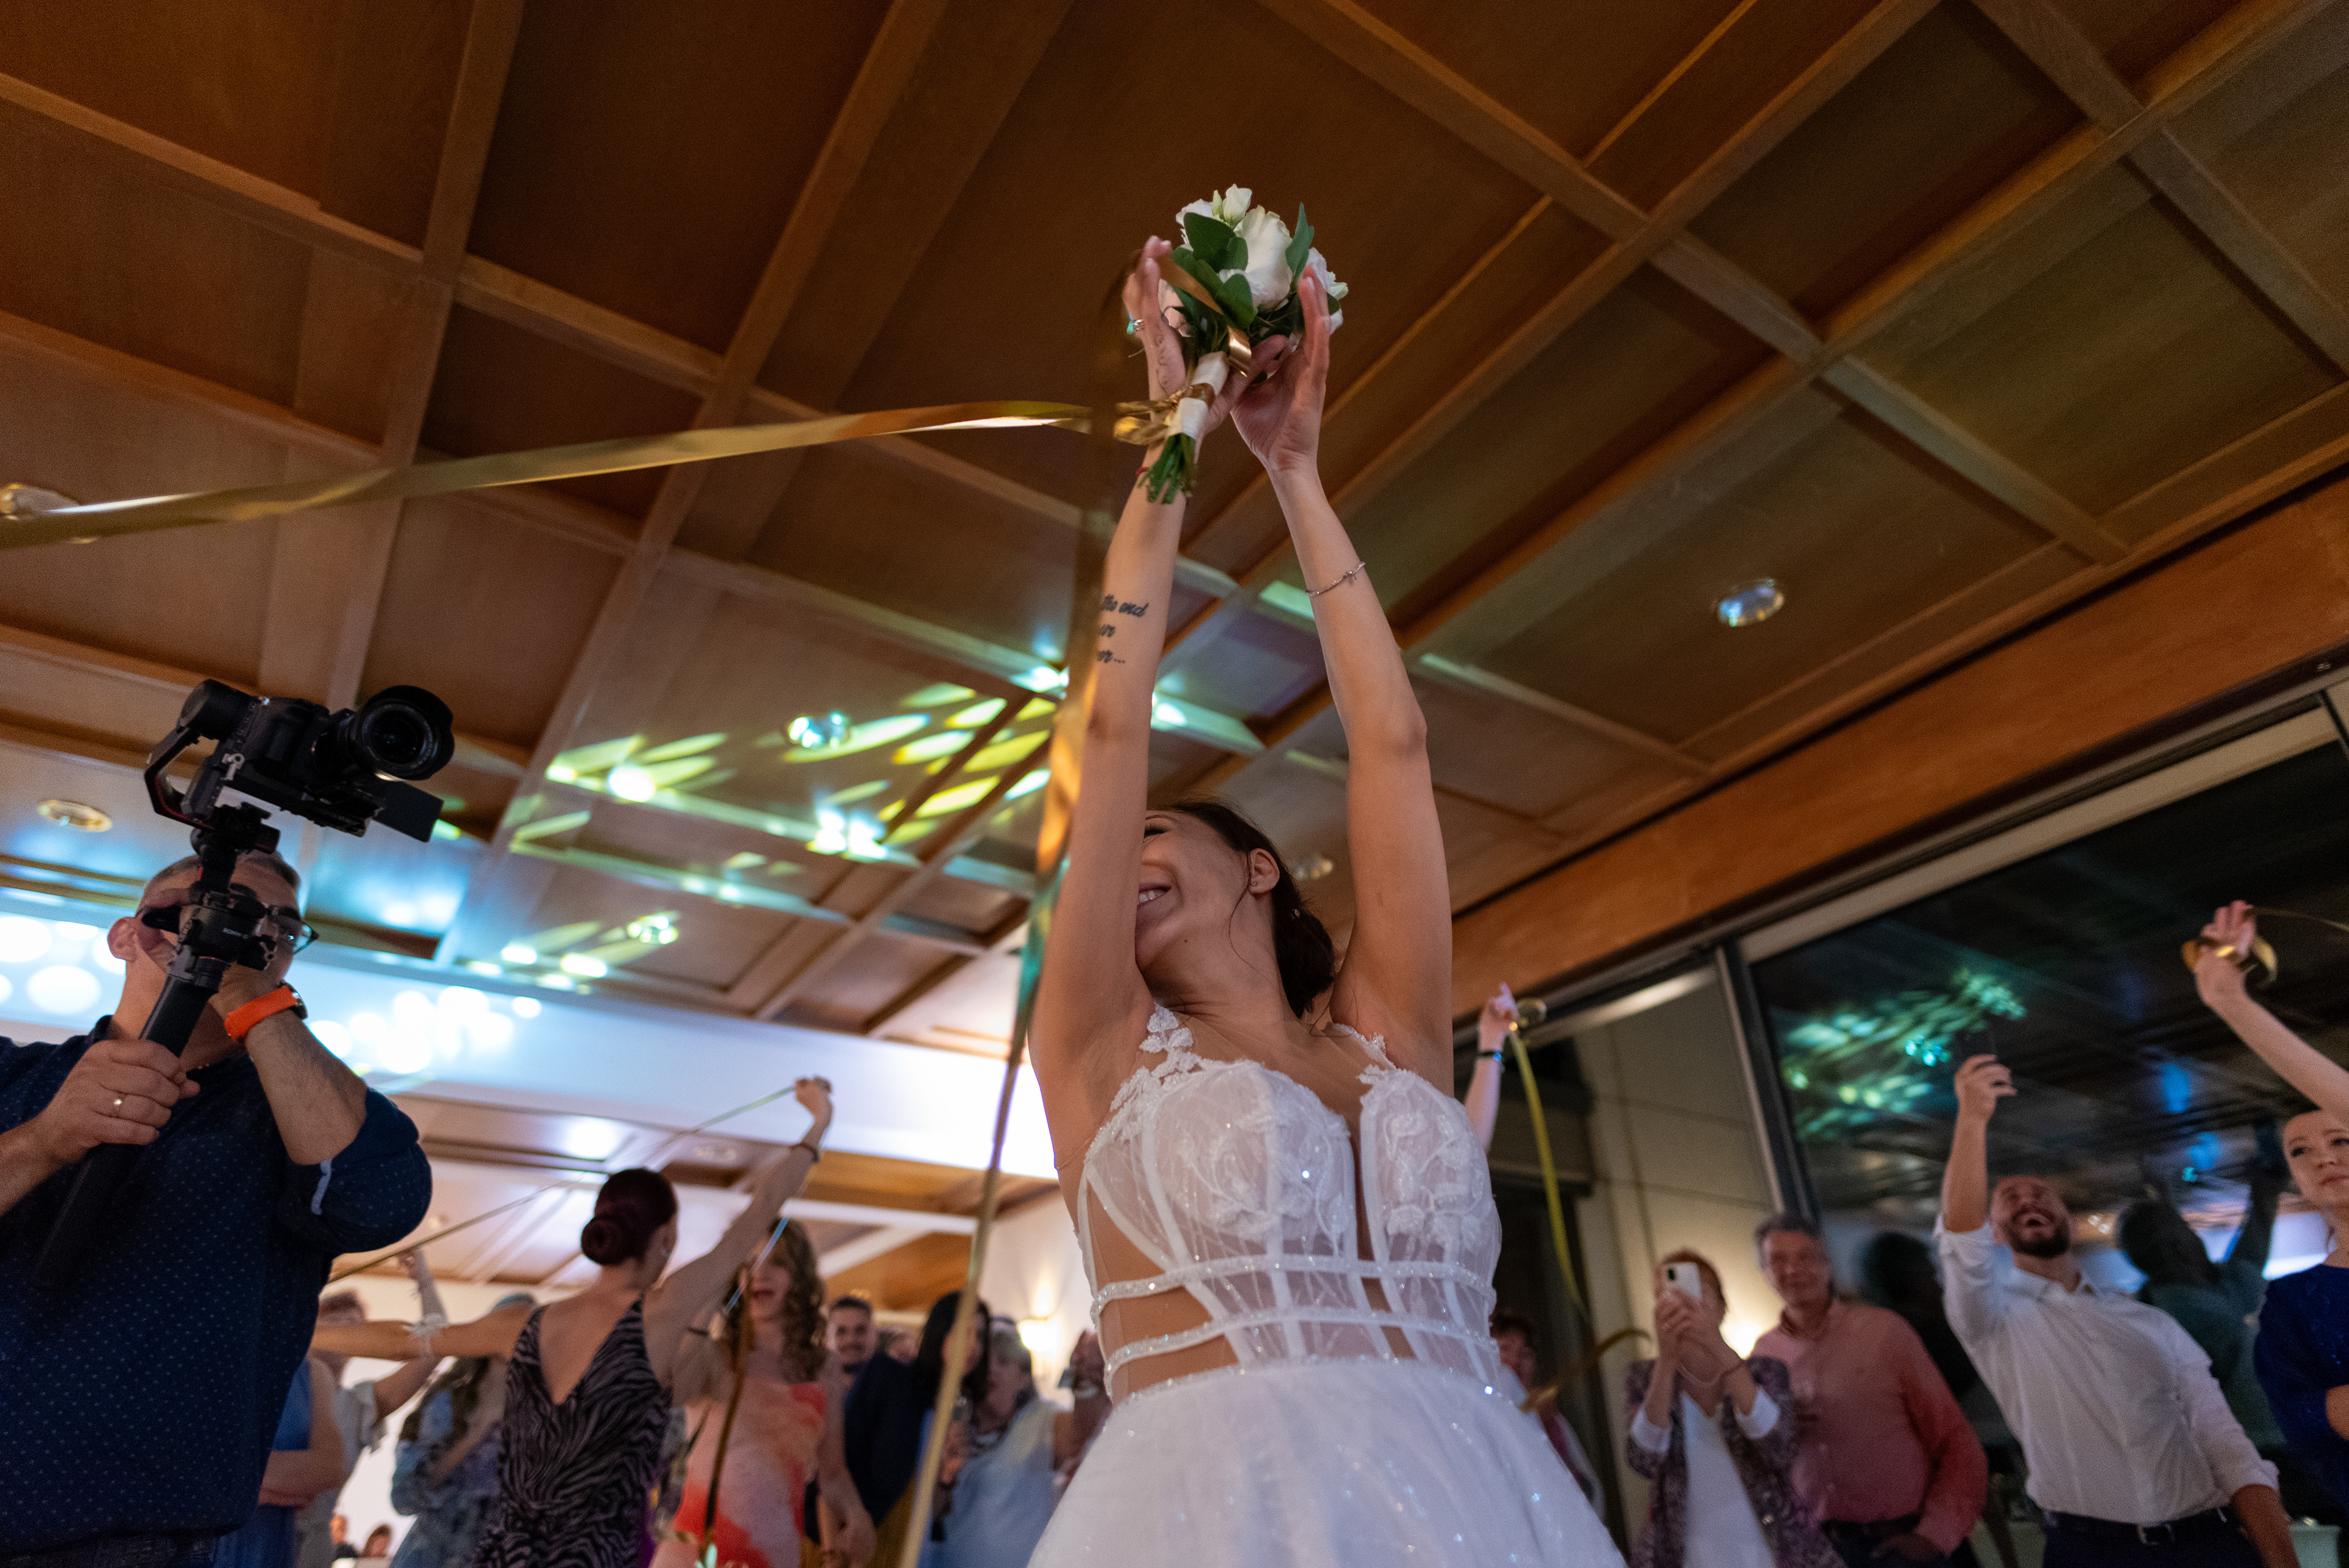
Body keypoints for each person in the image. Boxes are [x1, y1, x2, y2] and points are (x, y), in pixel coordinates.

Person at [1023, 236, 1616, 1566]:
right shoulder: (1100, 1051)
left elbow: (1393, 745)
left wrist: (1296, 471)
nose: (1125, 856)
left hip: (1483, 1507)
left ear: (1258, 866)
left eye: (1158, 832)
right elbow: (1109, 727)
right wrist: (1178, 429)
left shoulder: (1387, 1036)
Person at [0, 850, 432, 1562]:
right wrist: (43, 1140)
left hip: (128, 1541)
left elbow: (381, 1200)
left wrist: (253, 999)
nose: (248, 931)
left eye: (278, 927)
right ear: (131, 933)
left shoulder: (285, 1125)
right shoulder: (14, 1076)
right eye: (213, 906)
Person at [313, 1078, 837, 1568]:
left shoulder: (522, 1324)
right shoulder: (660, 1314)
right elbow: (764, 1208)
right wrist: (818, 1122)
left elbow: (409, 1339)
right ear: (666, 1237)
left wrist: (308, 1332)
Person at [1939, 1053, 2295, 1566]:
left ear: (2069, 1221)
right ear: (1994, 1231)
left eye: (2041, 1193)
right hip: (2090, 1550)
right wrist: (1972, 1119)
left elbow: (2223, 1440)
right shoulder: (1993, 1320)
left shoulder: (2149, 1320)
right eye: (2010, 1197)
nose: (2027, 1200)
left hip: (2207, 1540)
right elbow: (1961, 1246)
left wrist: (2280, 1556)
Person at [1751, 1214, 1986, 1567]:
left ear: (1827, 1264)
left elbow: (1954, 1438)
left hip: (1903, 1542)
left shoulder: (1885, 1333)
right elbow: (1763, 1462)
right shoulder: (1763, 1357)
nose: (1794, 1269)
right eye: (1778, 1260)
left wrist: (1934, 1535)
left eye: (1806, 1256)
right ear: (1765, 1274)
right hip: (1821, 1548)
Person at [653, 1219, 874, 1568]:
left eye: (777, 1263)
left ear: (799, 1277)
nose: (760, 1274)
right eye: (749, 1263)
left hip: (775, 1552)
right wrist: (712, 1287)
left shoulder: (824, 1368)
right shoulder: (716, 1357)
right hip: (696, 1552)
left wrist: (857, 1514)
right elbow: (665, 1390)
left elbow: (832, 1473)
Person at [1623, 1249, 1838, 1567]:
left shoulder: (1765, 1371)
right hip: (1687, 1551)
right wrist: (1666, 1361)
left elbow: (1780, 1449)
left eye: (1697, 1290)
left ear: (1722, 1305)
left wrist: (1718, 1348)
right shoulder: (1644, 1377)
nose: (1684, 1302)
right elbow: (1643, 1460)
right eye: (1667, 1294)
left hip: (1769, 1546)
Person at [1860, 1232, 2021, 1568]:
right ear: (1905, 1285)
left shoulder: (1936, 1333)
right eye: (1929, 1274)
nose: (1938, 1284)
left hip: (1947, 1508)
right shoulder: (1910, 1348)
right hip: (1925, 1516)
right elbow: (1961, 1447)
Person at [820, 1290, 994, 1566]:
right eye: (964, 1332)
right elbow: (832, 1471)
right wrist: (831, 1556)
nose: (973, 1345)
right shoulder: (890, 1380)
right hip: (860, 1552)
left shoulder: (959, 1408)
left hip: (914, 1556)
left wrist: (947, 1476)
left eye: (981, 1336)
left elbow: (928, 1513)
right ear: (941, 1331)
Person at [297, 1255, 446, 1568]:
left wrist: (424, 1279)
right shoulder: (275, 1389)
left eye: (355, 1326)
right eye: (336, 1322)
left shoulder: (359, 1404)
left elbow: (435, 1348)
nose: (346, 1332)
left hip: (311, 1549)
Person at [926, 1325, 1105, 1568]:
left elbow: (1084, 1432)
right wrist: (945, 1478)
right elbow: (927, 1515)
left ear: (1024, 1378)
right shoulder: (951, 1427)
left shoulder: (1041, 1421)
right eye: (984, 1362)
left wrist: (1085, 1375)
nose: (992, 1369)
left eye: (1003, 1361)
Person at [386, 1288, 538, 1568]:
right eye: (509, 1324)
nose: (518, 1335)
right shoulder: (448, 1399)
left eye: (529, 1326)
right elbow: (407, 1496)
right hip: (431, 1554)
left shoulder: (546, 1408)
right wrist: (475, 1434)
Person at [218, 1358, 347, 1568]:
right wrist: (276, 1486)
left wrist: (227, 1481)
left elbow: (330, 1468)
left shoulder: (312, 1372)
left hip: (266, 1552)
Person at [1490, 1308, 1606, 1507]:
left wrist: (1546, 1429)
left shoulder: (1552, 1420)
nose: (1515, 1362)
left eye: (1525, 1355)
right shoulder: (1479, 1411)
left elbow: (1588, 1494)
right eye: (1505, 1349)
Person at [827, 1295, 878, 1376]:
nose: (851, 1340)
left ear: (875, 1336)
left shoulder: (896, 1380)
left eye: (860, 1331)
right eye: (841, 1331)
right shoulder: (810, 1381)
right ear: (827, 1338)